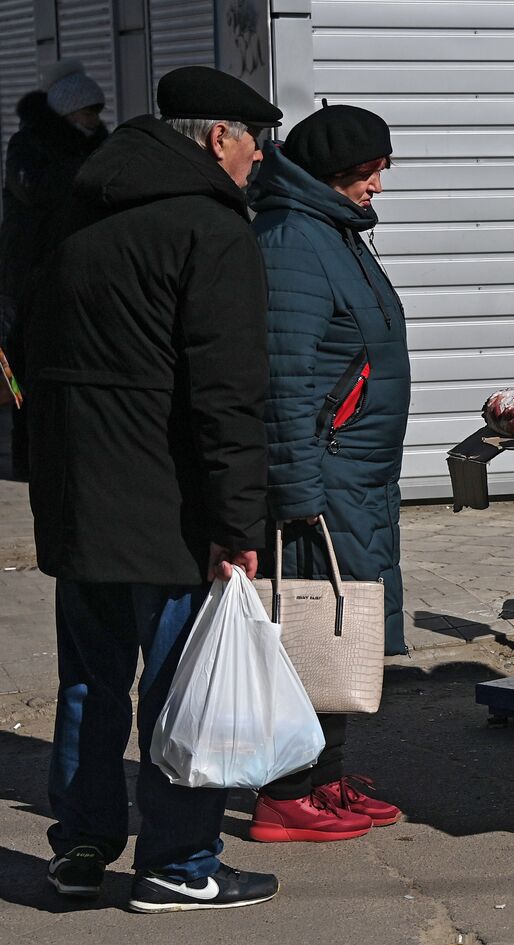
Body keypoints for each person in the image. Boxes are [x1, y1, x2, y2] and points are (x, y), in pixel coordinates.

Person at [24, 65, 285, 911]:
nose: (257, 164)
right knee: (183, 686)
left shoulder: (77, 211)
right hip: (168, 506)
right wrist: (239, 519)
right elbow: (228, 397)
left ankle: (83, 845)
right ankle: (179, 860)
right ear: (217, 139)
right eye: (253, 146)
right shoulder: (209, 232)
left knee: (90, 682)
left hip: (77, 498)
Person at [244, 104, 409, 843]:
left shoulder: (334, 231)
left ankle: (326, 776)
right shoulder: (291, 244)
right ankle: (284, 794)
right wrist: (298, 491)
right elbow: (284, 381)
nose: (380, 184)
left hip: (357, 472)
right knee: (310, 627)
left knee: (342, 629)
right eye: (371, 170)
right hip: (325, 477)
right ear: (338, 171)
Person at [0, 60, 109, 481]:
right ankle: (27, 459)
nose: (94, 119)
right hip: (25, 275)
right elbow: (33, 189)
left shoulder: (97, 143)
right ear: (67, 112)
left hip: (73, 270)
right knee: (23, 374)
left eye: (97, 110)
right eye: (88, 111)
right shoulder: (28, 146)